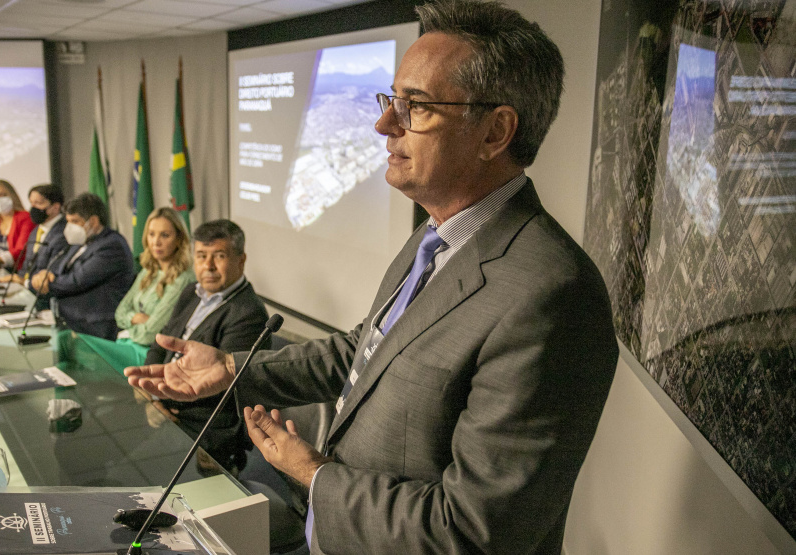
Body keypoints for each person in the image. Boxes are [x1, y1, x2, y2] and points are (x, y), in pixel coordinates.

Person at [126, 2, 618, 554]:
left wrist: (316, 475)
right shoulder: (434, 237)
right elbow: (364, 352)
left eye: (417, 107)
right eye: (392, 101)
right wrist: (231, 369)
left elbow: (476, 531)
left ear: (495, 131)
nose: (384, 124)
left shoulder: (552, 295)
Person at [141, 219, 269, 472]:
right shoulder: (192, 292)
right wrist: (151, 391)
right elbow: (161, 343)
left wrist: (160, 398)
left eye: (219, 256)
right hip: (165, 403)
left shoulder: (248, 313)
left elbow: (219, 388)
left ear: (241, 260)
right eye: (201, 256)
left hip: (201, 426)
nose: (208, 266)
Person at [31, 193, 133, 341]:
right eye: (68, 221)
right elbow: (57, 269)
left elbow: (76, 281)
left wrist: (47, 283)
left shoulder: (112, 245)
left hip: (96, 326)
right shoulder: (80, 242)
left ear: (93, 221)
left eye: (75, 221)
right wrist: (44, 276)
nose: (69, 227)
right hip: (71, 320)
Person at [115, 207, 196, 347]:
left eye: (164, 235)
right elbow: (119, 313)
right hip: (130, 344)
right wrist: (136, 318)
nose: (156, 242)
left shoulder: (184, 278)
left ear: (179, 239)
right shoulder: (149, 271)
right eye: (151, 234)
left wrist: (130, 327)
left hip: (152, 353)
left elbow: (150, 335)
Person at [0, 184, 69, 297]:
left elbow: (53, 274)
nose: (33, 208)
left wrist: (23, 283)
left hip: (44, 296)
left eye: (38, 203)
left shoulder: (64, 233)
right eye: (31, 203)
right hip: (26, 291)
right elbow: (27, 264)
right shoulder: (36, 230)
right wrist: (15, 280)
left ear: (55, 207)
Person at [0, 179, 35, 273]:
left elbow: (21, 249)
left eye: (3, 195)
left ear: (12, 196)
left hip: (17, 271)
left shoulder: (25, 218)